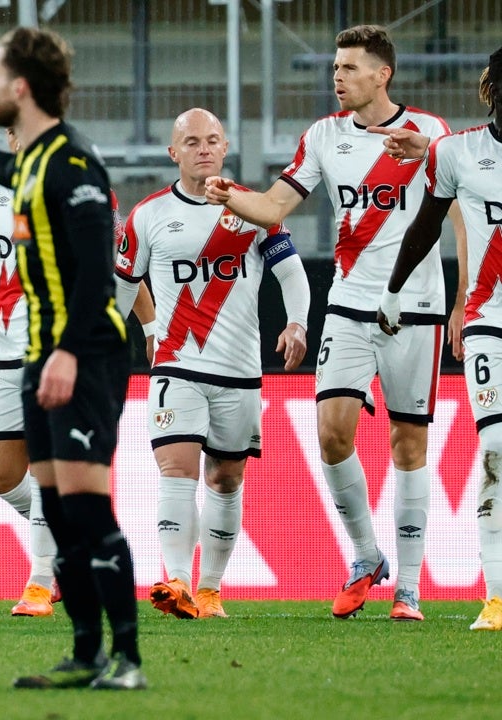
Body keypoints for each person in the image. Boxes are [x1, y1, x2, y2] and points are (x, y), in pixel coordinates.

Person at [205, 25, 466, 621]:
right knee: (331, 432)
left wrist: (459, 302)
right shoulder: (324, 135)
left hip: (416, 307)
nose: (337, 77)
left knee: (408, 443)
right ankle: (366, 555)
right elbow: (274, 206)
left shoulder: (431, 134)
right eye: (335, 68)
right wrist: (230, 195)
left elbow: (463, 215)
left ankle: (408, 591)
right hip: (347, 303)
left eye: (349, 68)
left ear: (383, 74)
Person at [0, 26, 145, 690]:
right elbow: (8, 173)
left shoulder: (75, 162)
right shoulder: (30, 162)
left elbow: (96, 271)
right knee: (56, 510)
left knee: (87, 508)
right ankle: (86, 652)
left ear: (21, 87)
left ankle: (129, 661)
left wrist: (64, 350)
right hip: (38, 356)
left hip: (83, 356)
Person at [0, 128, 154, 618]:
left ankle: (39, 580)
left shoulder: (80, 181)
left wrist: (150, 327)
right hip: (7, 344)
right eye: (11, 128)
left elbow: (117, 267)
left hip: (58, 344)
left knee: (46, 462)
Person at [116, 108, 310, 620]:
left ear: (225, 148)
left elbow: (292, 274)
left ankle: (210, 588)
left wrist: (297, 323)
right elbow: (122, 287)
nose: (204, 149)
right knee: (176, 470)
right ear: (173, 152)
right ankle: (177, 581)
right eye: (192, 141)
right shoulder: (149, 215)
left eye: (213, 140)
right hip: (176, 367)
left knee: (225, 479)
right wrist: (135, 335)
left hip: (240, 371)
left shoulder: (256, 209)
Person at [374, 47, 502, 631]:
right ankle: (497, 597)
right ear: (491, 90)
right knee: (497, 452)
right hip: (489, 321)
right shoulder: (458, 153)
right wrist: (395, 288)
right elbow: (428, 222)